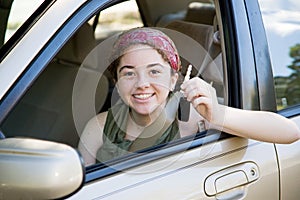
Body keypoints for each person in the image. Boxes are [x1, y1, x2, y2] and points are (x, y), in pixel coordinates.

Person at [78, 27, 300, 166]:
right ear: (116, 83)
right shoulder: (98, 126)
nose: (142, 84)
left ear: (173, 79)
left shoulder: (196, 116)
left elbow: (289, 132)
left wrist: (218, 114)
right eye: (128, 73)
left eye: (154, 71)